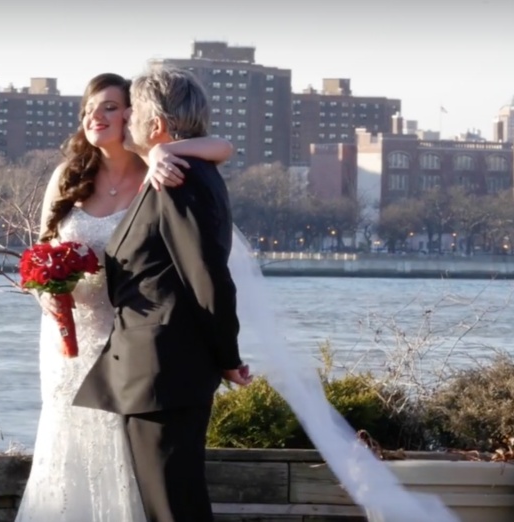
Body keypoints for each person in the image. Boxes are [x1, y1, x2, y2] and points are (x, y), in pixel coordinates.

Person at [74, 67, 461, 522]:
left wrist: (226, 355)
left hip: (165, 370)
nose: (128, 119)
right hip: (158, 370)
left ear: (156, 123)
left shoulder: (178, 178)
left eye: (133, 110)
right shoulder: (180, 168)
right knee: (169, 504)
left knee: (174, 508)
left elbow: (207, 276)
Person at [15, 72, 234, 522]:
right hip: (71, 340)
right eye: (90, 108)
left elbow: (220, 150)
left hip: (134, 339)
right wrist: (50, 296)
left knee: (145, 471)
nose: (98, 115)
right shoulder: (67, 177)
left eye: (113, 107)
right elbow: (40, 254)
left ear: (136, 116)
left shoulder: (158, 169)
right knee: (69, 453)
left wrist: (165, 151)